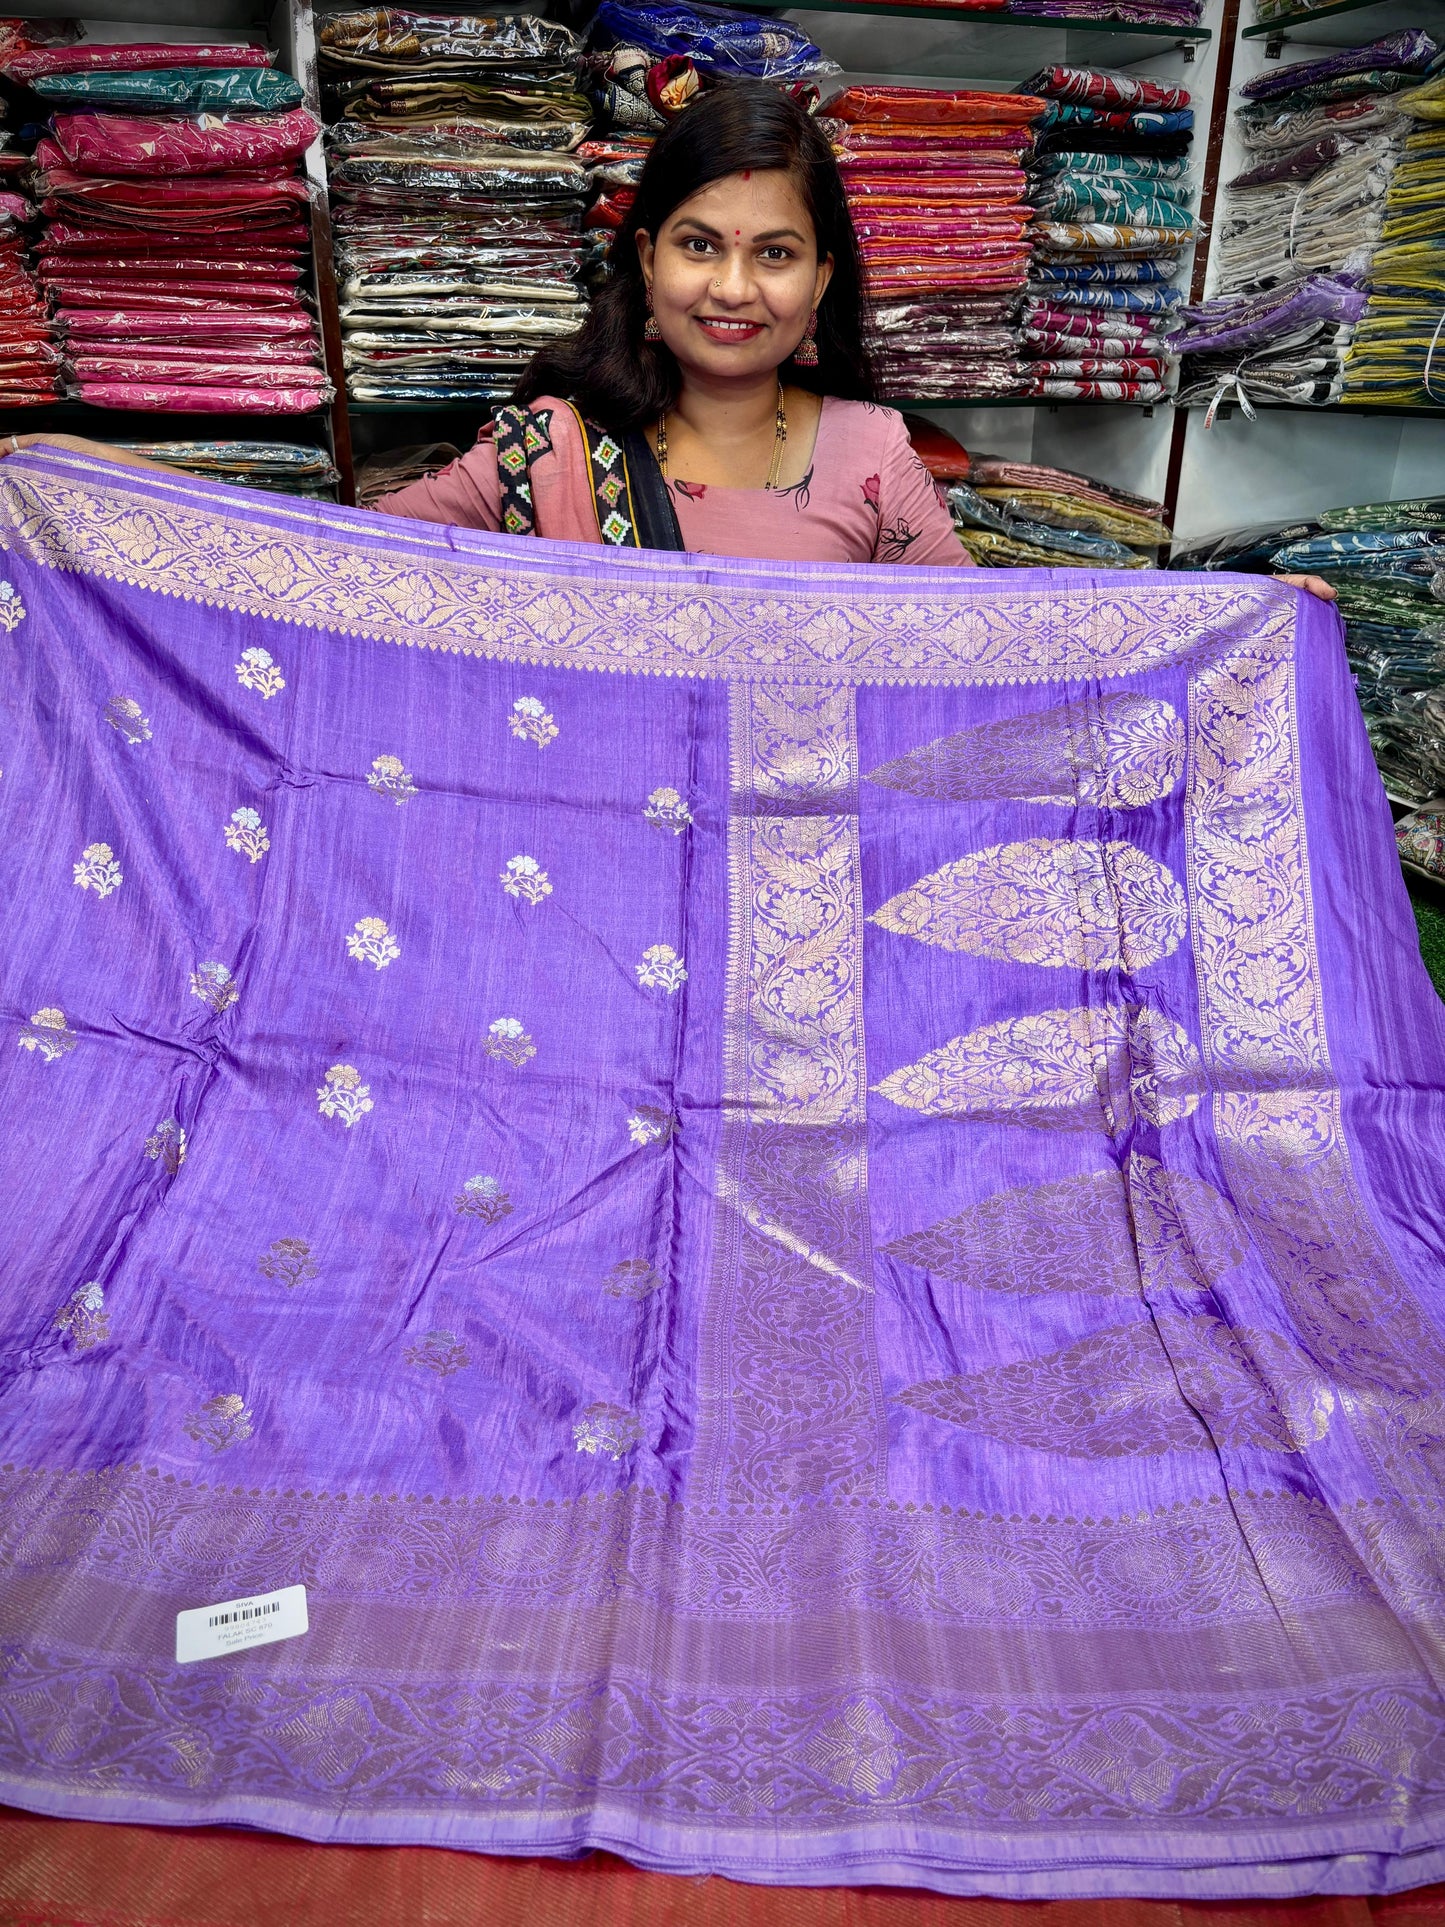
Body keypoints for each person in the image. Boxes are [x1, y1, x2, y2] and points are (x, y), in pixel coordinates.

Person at [0, 83, 1333, 593]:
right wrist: (90, 476)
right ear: (642, 265)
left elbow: (1008, 625)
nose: (732, 288)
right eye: (698, 244)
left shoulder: (871, 455)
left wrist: (1230, 612)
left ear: (821, 285)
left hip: (805, 880)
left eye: (775, 251)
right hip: (580, 875)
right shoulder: (546, 453)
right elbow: (330, 553)